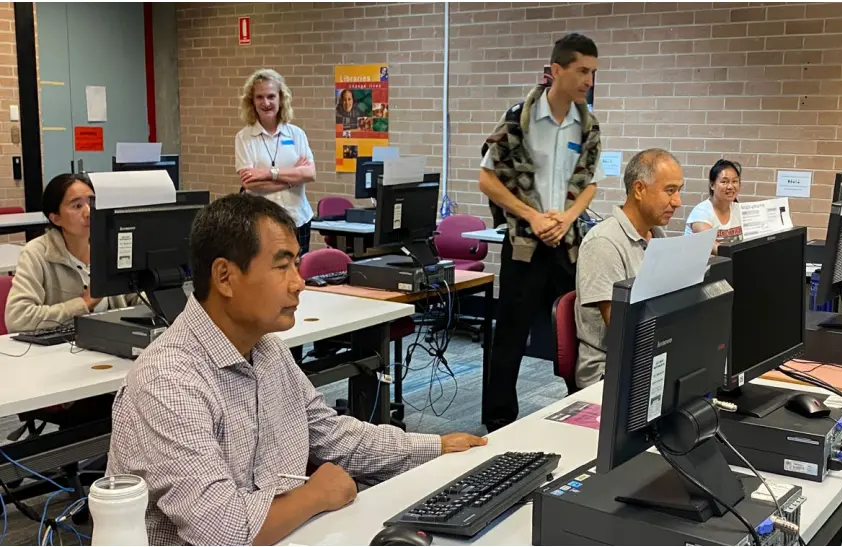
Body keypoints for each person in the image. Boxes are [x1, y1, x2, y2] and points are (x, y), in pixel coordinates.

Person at [106, 194, 487, 546]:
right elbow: (222, 532)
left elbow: (333, 436)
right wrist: (315, 495)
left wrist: (436, 447)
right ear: (225, 277)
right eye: (282, 265)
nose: (298, 282)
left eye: (296, 263)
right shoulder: (169, 382)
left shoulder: (267, 349)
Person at [478, 33, 604, 432]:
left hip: (566, 246)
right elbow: (487, 178)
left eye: (593, 73)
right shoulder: (520, 118)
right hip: (524, 247)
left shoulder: (587, 124)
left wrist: (567, 219)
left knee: (578, 332)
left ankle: (579, 410)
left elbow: (590, 184)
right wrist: (531, 217)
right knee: (510, 339)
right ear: (556, 71)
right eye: (582, 71)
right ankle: (497, 422)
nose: (588, 80)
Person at [574, 149, 683, 389]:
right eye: (670, 190)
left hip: (652, 356)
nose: (677, 201)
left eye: (678, 190)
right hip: (610, 369)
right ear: (639, 190)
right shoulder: (603, 243)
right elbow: (624, 329)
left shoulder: (658, 236)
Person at [5, 173, 141, 334]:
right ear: (56, 218)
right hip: (60, 350)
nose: (89, 212)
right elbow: (17, 318)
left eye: (92, 202)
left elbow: (135, 297)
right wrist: (84, 303)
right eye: (77, 206)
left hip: (113, 340)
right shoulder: (37, 253)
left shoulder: (110, 246)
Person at [235, 68, 317, 255]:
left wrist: (267, 173)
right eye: (260, 97)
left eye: (271, 96)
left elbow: (310, 174)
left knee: (296, 276)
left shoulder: (297, 134)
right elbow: (250, 184)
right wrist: (294, 178)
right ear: (252, 101)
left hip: (298, 219)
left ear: (281, 99)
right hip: (262, 224)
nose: (266, 103)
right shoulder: (244, 137)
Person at [685, 159, 743, 250]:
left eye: (735, 181)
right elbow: (711, 246)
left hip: (729, 262)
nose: (730, 186)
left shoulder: (740, 211)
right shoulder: (701, 212)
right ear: (712, 185)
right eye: (724, 182)